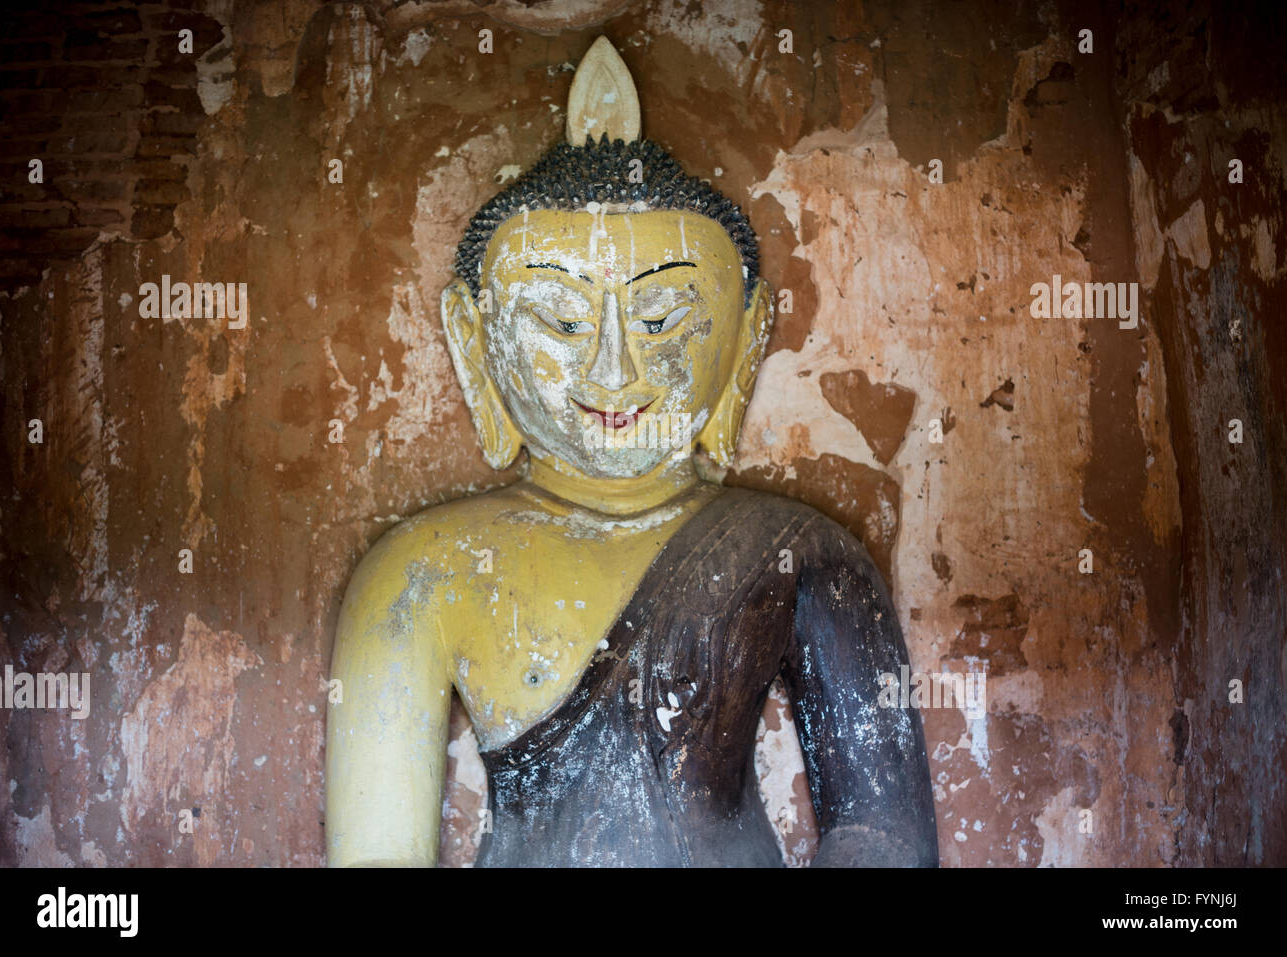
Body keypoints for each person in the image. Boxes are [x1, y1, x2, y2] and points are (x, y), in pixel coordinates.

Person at [325, 37, 937, 868]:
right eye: (560, 319)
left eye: (662, 320)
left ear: (748, 335)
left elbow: (884, 837)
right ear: (472, 339)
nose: (615, 369)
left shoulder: (805, 555)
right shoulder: (418, 572)